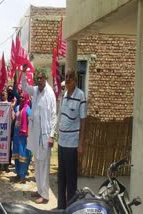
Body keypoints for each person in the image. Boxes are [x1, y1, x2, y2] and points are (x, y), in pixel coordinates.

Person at [21, 64, 57, 204]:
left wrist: (52, 135)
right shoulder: (35, 90)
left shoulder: (50, 94)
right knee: (37, 164)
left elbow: (54, 116)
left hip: (45, 136)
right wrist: (24, 72)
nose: (39, 81)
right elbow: (24, 87)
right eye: (37, 78)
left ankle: (45, 195)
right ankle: (39, 189)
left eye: (41, 78)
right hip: (35, 135)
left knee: (44, 165)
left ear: (46, 79)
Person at [57, 70, 87, 209]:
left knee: (71, 180)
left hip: (72, 143)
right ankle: (61, 208)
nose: (67, 79)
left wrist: (80, 143)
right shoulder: (64, 95)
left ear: (75, 80)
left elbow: (83, 120)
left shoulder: (80, 95)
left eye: (70, 77)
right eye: (66, 77)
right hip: (61, 142)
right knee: (61, 178)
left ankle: (71, 209)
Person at [12, 92, 32, 183]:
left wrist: (28, 135)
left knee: (23, 154)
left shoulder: (28, 109)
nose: (21, 98)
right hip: (16, 134)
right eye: (20, 97)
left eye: (23, 97)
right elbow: (14, 118)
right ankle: (18, 174)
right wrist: (11, 108)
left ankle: (23, 176)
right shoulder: (17, 107)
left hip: (23, 135)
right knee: (16, 154)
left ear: (27, 98)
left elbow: (30, 124)